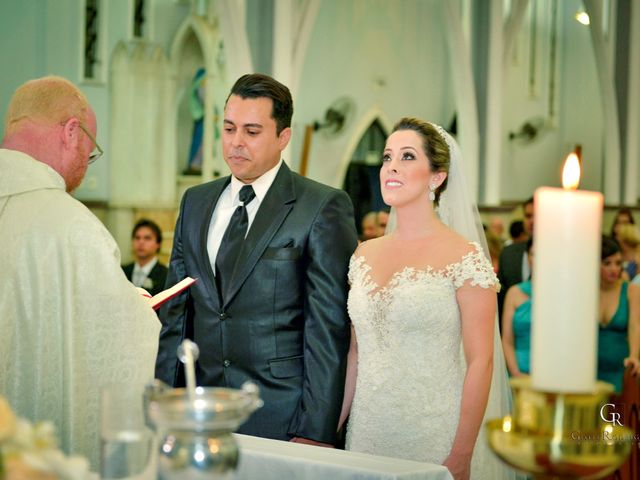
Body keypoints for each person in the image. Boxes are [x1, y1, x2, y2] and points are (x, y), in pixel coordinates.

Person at [155, 73, 358, 446]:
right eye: (229, 128)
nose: (235, 143)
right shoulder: (195, 202)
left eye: (251, 131)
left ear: (283, 137)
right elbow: (176, 314)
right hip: (203, 410)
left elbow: (328, 329)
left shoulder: (321, 207)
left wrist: (315, 430)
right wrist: (166, 405)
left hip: (281, 413)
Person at [0, 76, 160, 470]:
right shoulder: (74, 229)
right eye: (90, 153)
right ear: (72, 132)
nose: (86, 167)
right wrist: (139, 312)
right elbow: (117, 350)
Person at [339, 118, 512, 479]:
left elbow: (481, 362)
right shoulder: (363, 255)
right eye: (387, 157)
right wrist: (328, 429)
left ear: (437, 177)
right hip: (368, 432)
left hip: (434, 434)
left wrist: (462, 453)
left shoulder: (465, 257)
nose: (392, 167)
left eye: (407, 156)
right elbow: (357, 354)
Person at [598, 236, 640, 393]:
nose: (614, 269)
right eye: (607, 263)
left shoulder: (631, 290)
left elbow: (635, 325)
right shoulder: (586, 289)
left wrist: (634, 356)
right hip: (588, 368)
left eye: (618, 263)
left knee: (617, 416)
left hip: (619, 369)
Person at [501, 238, 534, 376]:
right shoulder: (515, 293)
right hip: (518, 370)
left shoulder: (564, 295)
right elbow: (507, 340)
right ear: (527, 257)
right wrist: (516, 373)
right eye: (534, 254)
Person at [497, 197, 533, 319]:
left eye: (538, 216)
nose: (532, 221)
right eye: (528, 216)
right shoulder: (509, 253)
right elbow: (501, 295)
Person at [122, 218, 169, 296]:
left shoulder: (166, 276)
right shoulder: (122, 272)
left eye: (147, 238)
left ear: (158, 244)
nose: (141, 242)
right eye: (137, 238)